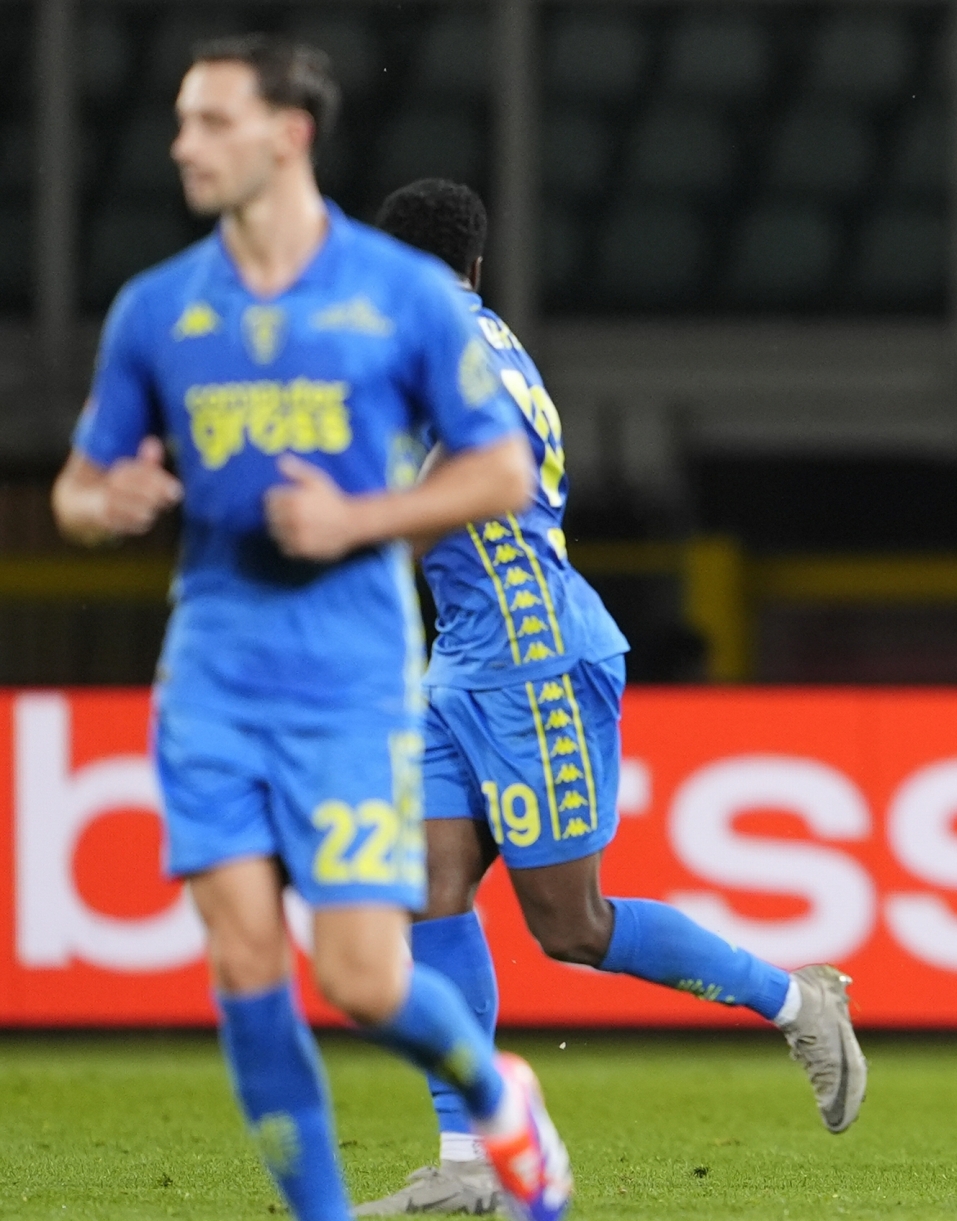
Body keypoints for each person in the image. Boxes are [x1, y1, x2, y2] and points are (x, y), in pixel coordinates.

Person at [50, 37, 571, 1221]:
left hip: (350, 678)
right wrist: (102, 504)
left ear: (288, 136)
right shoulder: (160, 309)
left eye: (211, 121)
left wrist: (363, 516)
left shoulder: (395, 298)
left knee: (362, 977)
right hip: (212, 673)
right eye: (182, 121)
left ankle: (495, 1095)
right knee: (243, 963)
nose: (183, 143)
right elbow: (77, 485)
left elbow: (501, 472)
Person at [357, 179, 867, 1216]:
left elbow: (482, 466)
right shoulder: (476, 333)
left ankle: (795, 999)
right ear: (478, 264)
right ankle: (471, 1164)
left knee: (569, 926)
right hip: (466, 652)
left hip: (533, 652)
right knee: (427, 886)